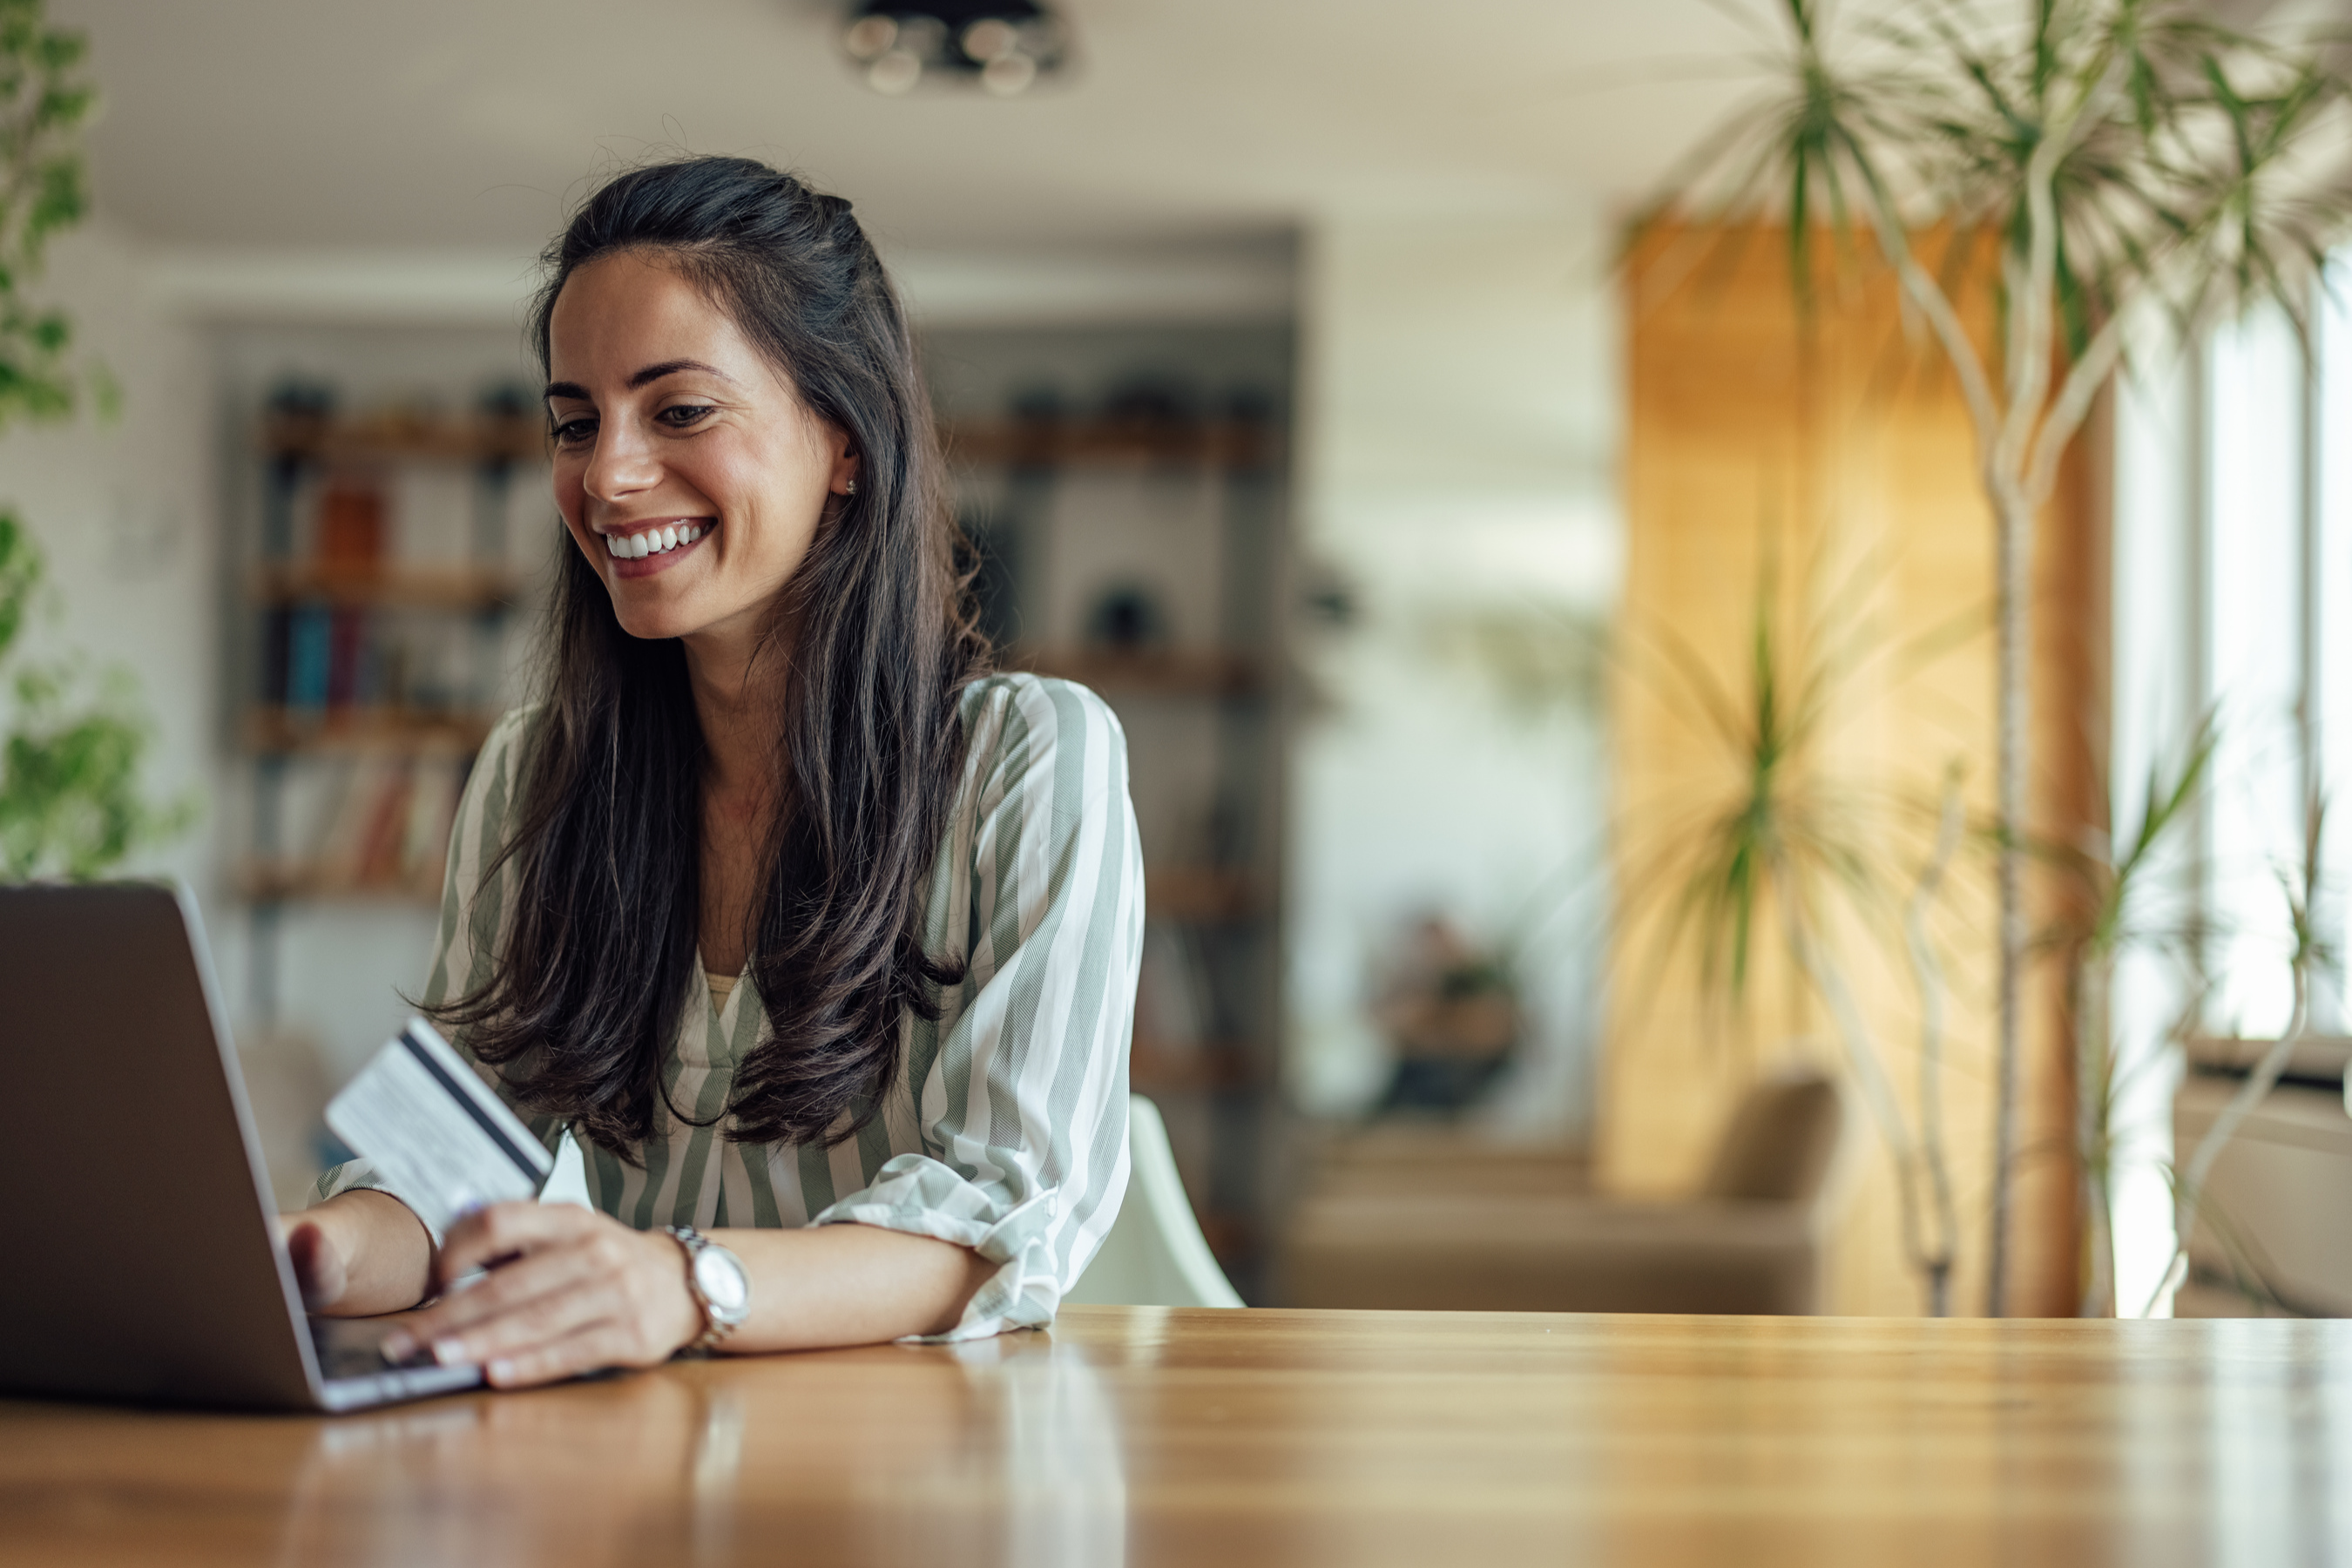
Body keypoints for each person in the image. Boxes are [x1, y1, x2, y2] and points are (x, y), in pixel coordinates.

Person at [278, 157, 1143, 1389]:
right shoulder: (536, 773)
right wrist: (293, 1254)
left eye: (677, 411)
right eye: (576, 421)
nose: (607, 475)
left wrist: (683, 1283)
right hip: (647, 1465)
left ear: (845, 440)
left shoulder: (1030, 758)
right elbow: (444, 1161)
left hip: (927, 1473)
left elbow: (1005, 1210)